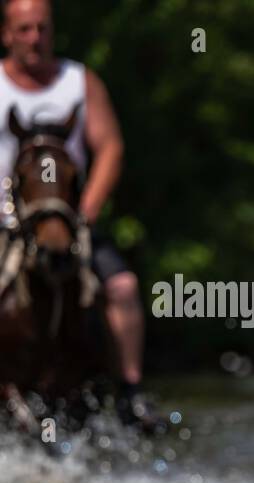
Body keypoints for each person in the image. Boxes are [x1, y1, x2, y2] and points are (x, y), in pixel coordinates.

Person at [0, 0, 156, 425]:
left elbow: (109, 147)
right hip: (5, 221)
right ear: (7, 34)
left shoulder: (80, 81)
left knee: (122, 286)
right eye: (25, 29)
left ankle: (130, 392)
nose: (35, 38)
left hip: (68, 221)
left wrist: (85, 210)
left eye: (43, 28)